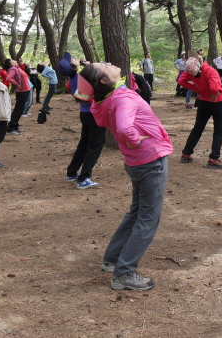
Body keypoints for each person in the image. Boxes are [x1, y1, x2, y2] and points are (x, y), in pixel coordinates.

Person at [79, 62, 173, 291]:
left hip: (138, 160)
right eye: (102, 66)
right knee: (148, 217)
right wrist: (134, 137)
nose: (108, 63)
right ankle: (124, 273)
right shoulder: (121, 98)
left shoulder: (111, 97)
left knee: (137, 211)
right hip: (150, 158)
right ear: (103, 80)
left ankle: (113, 260)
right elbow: (123, 127)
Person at [177, 51, 222, 169]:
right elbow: (215, 88)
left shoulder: (190, 69)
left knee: (198, 128)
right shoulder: (210, 71)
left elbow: (181, 81)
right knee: (219, 130)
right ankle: (214, 159)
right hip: (217, 102)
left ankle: (186, 154)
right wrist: (213, 93)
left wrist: (197, 89)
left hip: (203, 102)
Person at [61, 53, 104, 189]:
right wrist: (89, 66)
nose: (76, 59)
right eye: (73, 60)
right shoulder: (81, 78)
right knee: (95, 146)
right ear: (74, 67)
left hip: (85, 113)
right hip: (94, 115)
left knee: (84, 144)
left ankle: (72, 173)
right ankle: (83, 178)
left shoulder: (72, 79)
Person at [5, 59, 30, 135]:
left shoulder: (16, 68)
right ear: (10, 64)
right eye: (11, 60)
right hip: (22, 91)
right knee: (18, 110)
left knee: (20, 110)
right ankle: (10, 128)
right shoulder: (13, 69)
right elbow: (8, 78)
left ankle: (15, 126)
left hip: (25, 90)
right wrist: (16, 83)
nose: (13, 60)